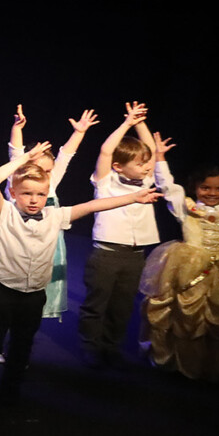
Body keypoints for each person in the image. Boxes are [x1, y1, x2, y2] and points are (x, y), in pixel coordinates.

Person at [0, 144, 161, 399]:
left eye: (40, 194)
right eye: (26, 194)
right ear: (14, 193)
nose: (33, 199)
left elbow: (93, 206)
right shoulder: (4, 211)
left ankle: (10, 389)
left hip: (33, 294)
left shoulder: (56, 215)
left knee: (22, 343)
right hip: (1, 290)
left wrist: (133, 197)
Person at [141, 131, 219, 381]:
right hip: (188, 269)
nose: (212, 193)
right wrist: (160, 157)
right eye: (205, 187)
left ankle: (216, 366)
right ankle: (181, 363)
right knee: (185, 316)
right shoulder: (187, 209)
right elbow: (167, 187)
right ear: (195, 188)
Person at [77, 100, 164, 366]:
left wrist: (140, 123)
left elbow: (151, 149)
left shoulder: (147, 180)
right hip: (106, 254)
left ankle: (111, 347)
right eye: (140, 164)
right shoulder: (106, 182)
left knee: (123, 306)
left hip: (135, 255)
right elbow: (106, 151)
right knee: (97, 303)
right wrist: (126, 123)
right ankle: (91, 348)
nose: (147, 167)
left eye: (147, 164)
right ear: (118, 166)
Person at [7, 105, 98, 320]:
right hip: (20, 241)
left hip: (48, 242)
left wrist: (79, 133)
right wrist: (17, 129)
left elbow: (65, 155)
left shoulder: (51, 182)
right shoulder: (16, 179)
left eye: (48, 171)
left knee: (41, 286)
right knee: (14, 288)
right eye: (40, 170)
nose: (46, 175)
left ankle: (33, 318)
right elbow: (15, 153)